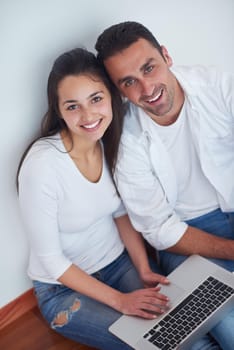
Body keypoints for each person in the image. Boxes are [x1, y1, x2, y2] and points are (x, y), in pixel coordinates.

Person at [17, 47, 170, 350]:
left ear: (111, 96)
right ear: (58, 110)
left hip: (118, 264)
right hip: (61, 289)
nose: (88, 116)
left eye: (96, 99)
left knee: (178, 323)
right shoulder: (42, 166)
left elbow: (119, 212)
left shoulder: (109, 141)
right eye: (73, 106)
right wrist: (121, 301)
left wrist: (142, 267)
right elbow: (50, 260)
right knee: (150, 344)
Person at [95, 21, 234, 350]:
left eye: (149, 68)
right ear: (119, 91)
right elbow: (159, 229)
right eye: (129, 82)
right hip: (190, 235)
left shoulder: (217, 84)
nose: (147, 89)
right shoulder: (125, 140)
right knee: (225, 320)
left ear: (166, 56)